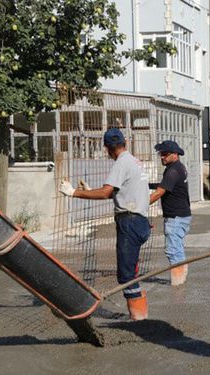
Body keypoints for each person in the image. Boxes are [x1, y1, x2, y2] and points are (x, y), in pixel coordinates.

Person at [59, 128, 151, 321]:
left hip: (130, 222)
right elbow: (120, 192)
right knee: (131, 270)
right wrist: (92, 191)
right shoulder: (135, 161)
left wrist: (73, 192)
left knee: (126, 276)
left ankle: (139, 319)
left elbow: (105, 192)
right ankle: (139, 313)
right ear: (124, 142)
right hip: (140, 220)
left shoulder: (121, 163)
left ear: (108, 148)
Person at [149, 140, 191, 286]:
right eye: (161, 154)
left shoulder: (173, 171)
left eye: (165, 154)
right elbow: (165, 184)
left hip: (176, 218)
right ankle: (182, 278)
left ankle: (178, 285)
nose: (162, 157)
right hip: (181, 216)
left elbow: (159, 192)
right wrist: (146, 185)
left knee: (173, 251)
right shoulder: (177, 168)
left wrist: (140, 206)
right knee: (177, 249)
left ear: (175, 154)